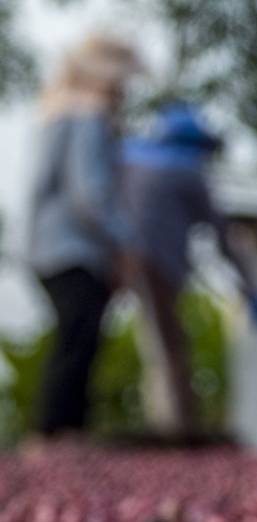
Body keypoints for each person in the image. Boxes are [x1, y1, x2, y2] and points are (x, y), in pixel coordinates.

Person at [123, 102, 257, 441]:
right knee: (169, 345)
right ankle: (177, 429)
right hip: (157, 263)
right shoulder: (187, 171)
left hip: (122, 258)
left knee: (157, 340)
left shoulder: (130, 158)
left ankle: (171, 423)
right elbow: (224, 238)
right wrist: (253, 291)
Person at [24, 34, 143, 440]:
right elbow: (89, 193)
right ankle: (58, 432)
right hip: (75, 248)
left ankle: (61, 433)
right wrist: (124, 241)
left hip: (46, 246)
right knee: (79, 339)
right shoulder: (89, 114)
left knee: (75, 336)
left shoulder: (56, 112)